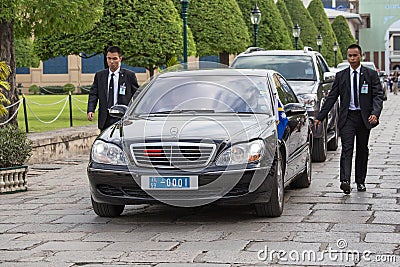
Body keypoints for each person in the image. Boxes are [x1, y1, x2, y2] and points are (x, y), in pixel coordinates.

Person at [314, 44, 383, 194]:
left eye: (355, 56)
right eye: (349, 56)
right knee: (347, 149)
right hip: (347, 118)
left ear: (361, 56)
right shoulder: (341, 76)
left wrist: (375, 113)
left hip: (364, 118)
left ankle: (360, 181)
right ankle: (345, 180)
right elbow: (332, 97)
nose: (352, 59)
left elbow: (378, 96)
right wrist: (320, 117)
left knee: (362, 150)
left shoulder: (370, 74)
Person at [87, 46, 139, 131]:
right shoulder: (100, 75)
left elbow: (137, 95)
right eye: (109, 58)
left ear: (120, 59)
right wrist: (90, 110)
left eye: (115, 59)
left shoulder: (129, 76)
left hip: (122, 116)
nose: (111, 62)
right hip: (105, 118)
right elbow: (94, 94)